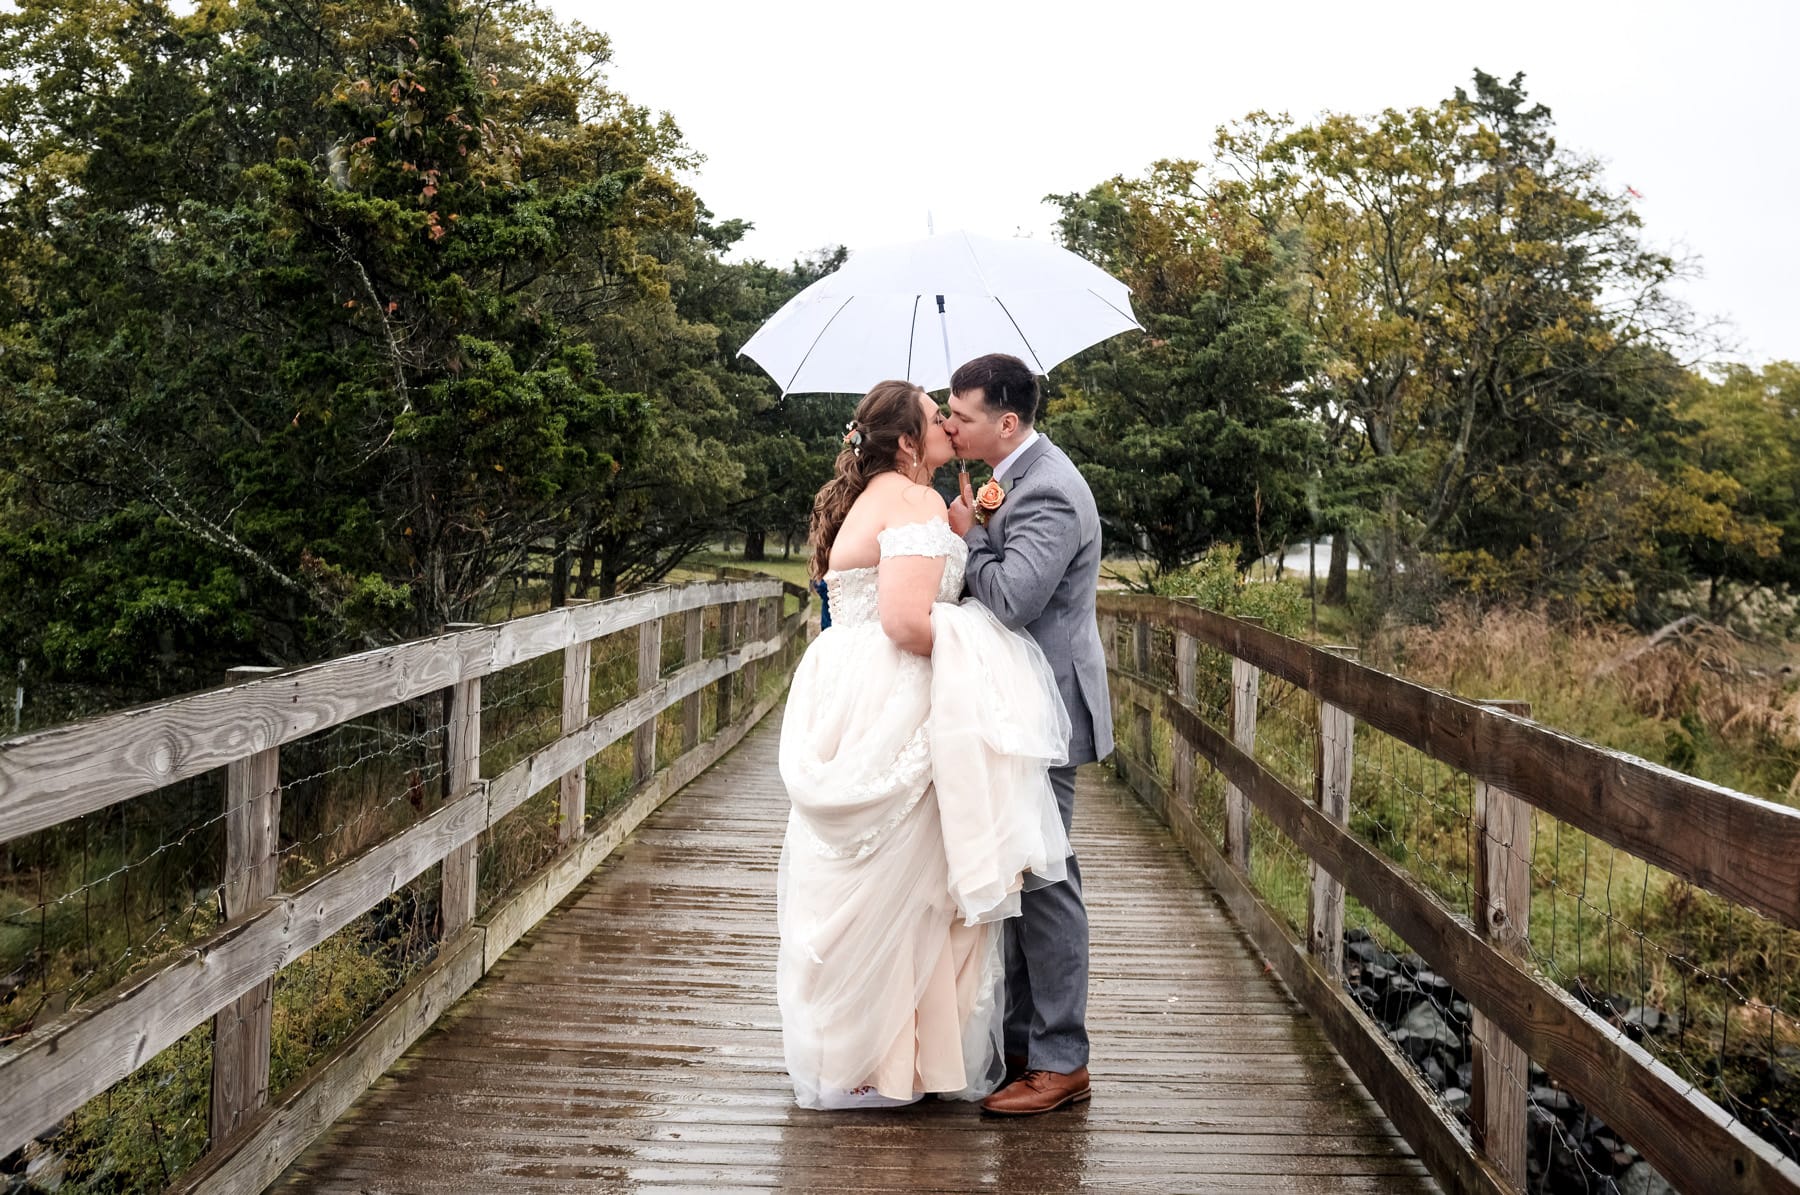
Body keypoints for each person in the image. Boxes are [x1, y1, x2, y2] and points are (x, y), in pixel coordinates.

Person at [777, 379, 1073, 1111]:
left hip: (849, 692)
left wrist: (960, 525)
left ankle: (867, 1053)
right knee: (911, 883)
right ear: (909, 440)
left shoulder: (879, 494)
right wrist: (988, 641)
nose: (949, 421)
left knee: (872, 876)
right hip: (897, 695)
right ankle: (897, 1060)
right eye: (937, 415)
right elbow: (909, 623)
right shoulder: (908, 502)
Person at [945, 352, 1113, 1117]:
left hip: (1047, 710)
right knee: (1016, 870)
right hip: (1015, 703)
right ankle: (1021, 1044)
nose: (952, 423)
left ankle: (1060, 1059)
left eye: (964, 414)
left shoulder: (1048, 489)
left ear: (1005, 422)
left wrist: (968, 535)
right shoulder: (1009, 476)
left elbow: (1012, 596)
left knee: (1046, 880)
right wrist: (977, 518)